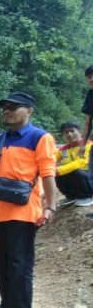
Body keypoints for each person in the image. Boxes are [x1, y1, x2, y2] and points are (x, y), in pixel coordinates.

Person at [0, 91, 57, 308]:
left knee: (20, 264)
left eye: (14, 107)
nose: (7, 111)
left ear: (30, 111)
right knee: (1, 261)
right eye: (5, 107)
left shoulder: (40, 138)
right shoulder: (0, 140)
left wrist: (50, 206)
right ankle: (6, 305)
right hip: (2, 210)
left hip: (25, 211)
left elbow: (47, 173)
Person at [55, 121, 93, 206]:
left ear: (80, 132)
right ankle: (71, 196)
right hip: (79, 177)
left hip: (89, 176)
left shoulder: (88, 145)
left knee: (75, 171)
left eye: (72, 131)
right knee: (57, 174)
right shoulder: (63, 150)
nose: (69, 134)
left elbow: (82, 162)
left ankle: (87, 196)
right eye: (66, 132)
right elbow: (52, 160)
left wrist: (59, 170)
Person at [81, 65, 93, 217]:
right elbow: (88, 121)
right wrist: (82, 144)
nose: (91, 79)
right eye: (89, 77)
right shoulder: (91, 94)